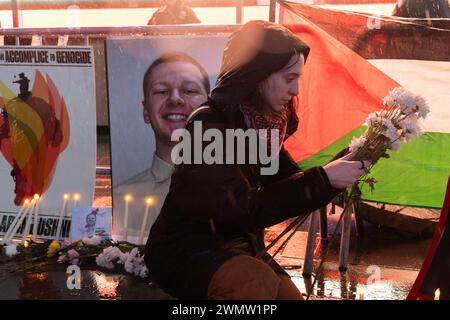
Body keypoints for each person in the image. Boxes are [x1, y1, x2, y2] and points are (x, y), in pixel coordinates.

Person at [145, 21, 370, 300]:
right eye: (289, 78)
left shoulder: (262, 127)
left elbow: (293, 183)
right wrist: (325, 178)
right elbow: (239, 208)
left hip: (240, 246)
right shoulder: (208, 125)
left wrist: (357, 155)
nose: (296, 90)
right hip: (186, 248)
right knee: (254, 282)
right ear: (258, 75)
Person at [112, 52, 210, 243]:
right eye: (161, 91)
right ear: (146, 111)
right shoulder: (121, 199)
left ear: (209, 106)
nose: (175, 99)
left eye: (189, 90)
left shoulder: (234, 193)